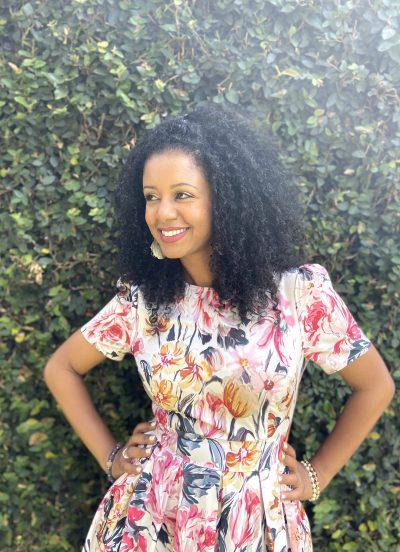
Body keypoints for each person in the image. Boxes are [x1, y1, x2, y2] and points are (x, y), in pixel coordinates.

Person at [43, 103, 395, 552]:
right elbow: (62, 368)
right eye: (151, 196)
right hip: (154, 519)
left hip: (257, 523)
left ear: (226, 198)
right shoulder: (142, 302)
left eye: (182, 194)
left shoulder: (298, 294)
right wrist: (112, 458)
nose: (163, 212)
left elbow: (375, 386)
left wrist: (316, 474)